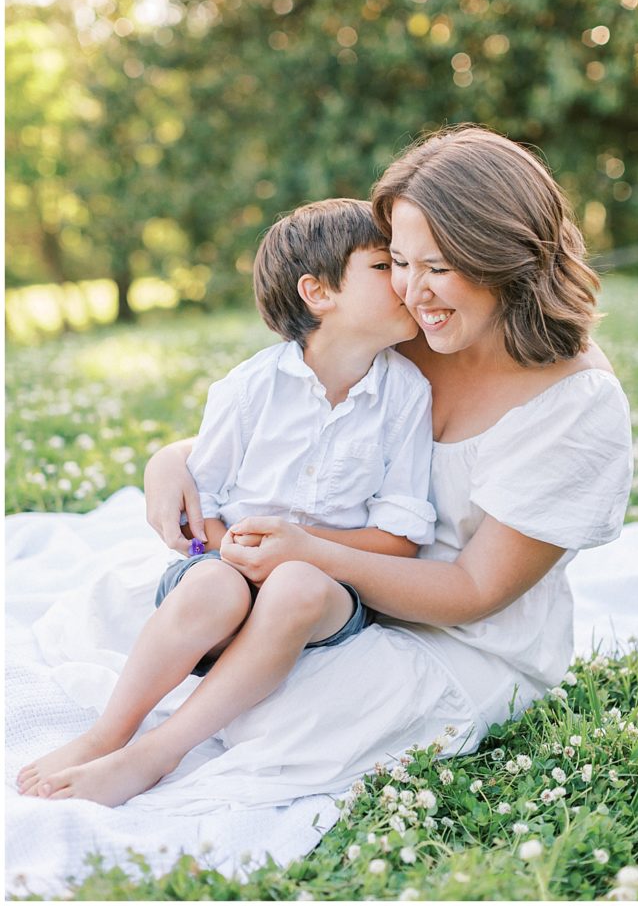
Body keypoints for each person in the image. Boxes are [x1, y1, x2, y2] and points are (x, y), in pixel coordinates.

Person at [21, 125, 633, 810]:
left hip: (456, 636)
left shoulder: (574, 404)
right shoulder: (407, 336)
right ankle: (141, 728)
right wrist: (174, 459)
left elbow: (474, 589)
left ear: (507, 257)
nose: (413, 291)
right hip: (324, 584)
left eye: (438, 266)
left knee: (295, 721)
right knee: (164, 610)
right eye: (399, 262)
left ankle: (157, 753)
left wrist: (312, 553)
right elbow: (300, 435)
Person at [17, 197, 436, 805]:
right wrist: (225, 549)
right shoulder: (248, 389)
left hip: (326, 591)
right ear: (318, 293)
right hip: (226, 573)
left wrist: (307, 550)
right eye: (383, 266)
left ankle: (156, 755)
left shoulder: (407, 395)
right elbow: (197, 512)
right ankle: (109, 734)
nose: (404, 281)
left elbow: (399, 538)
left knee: (296, 583)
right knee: (214, 585)